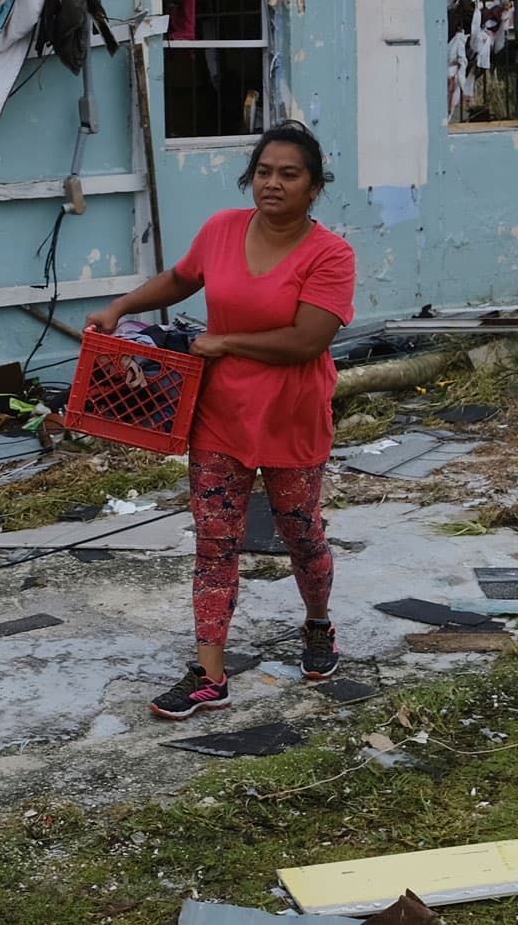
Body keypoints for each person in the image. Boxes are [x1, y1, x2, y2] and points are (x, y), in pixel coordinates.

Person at [84, 120, 356, 720]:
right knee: (215, 544)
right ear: (249, 178)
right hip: (218, 417)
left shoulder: (331, 254)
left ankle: (317, 625)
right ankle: (209, 672)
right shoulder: (222, 230)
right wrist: (121, 306)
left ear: (314, 187)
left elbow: (308, 340)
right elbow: (182, 279)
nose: (274, 184)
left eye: (290, 174)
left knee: (301, 534)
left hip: (291, 419)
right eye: (264, 172)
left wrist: (223, 342)